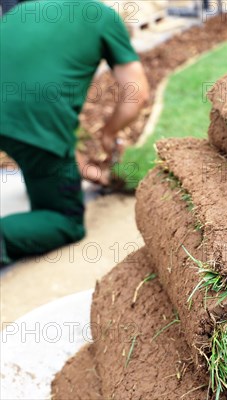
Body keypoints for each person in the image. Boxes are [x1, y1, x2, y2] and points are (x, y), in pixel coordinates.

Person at [0, 0, 149, 265]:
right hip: (31, 121)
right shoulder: (106, 18)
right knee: (65, 220)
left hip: (19, 123)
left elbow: (57, 145)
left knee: (34, 150)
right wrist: (109, 131)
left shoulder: (25, 9)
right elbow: (137, 92)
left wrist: (94, 174)